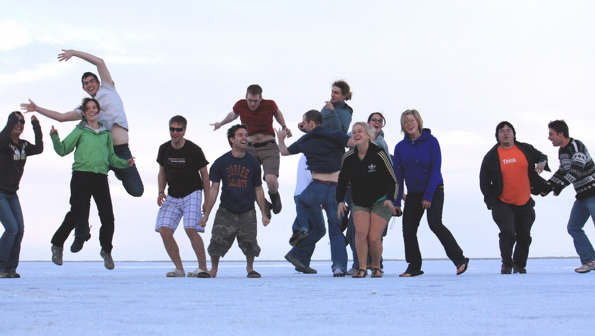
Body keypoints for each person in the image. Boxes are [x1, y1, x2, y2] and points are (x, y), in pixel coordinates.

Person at [21, 49, 144, 253]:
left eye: (91, 81)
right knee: (81, 196)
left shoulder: (108, 89)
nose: (89, 84)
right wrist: (37, 109)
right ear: (84, 89)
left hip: (121, 152)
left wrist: (74, 53)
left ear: (98, 82)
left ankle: (119, 173)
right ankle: (81, 233)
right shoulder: (87, 111)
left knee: (137, 190)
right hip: (100, 155)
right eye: (86, 83)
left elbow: (100, 61)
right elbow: (61, 117)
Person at [50, 98, 134, 270]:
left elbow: (111, 158)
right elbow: (62, 150)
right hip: (81, 175)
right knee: (76, 213)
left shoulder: (106, 134)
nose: (92, 111)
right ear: (84, 112)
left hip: (100, 177)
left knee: (108, 217)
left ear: (98, 110)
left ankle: (106, 251)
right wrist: (54, 137)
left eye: (94, 107)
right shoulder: (80, 130)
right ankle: (57, 245)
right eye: (88, 108)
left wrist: (125, 163)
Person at [392, 109, 469, 277]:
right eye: (405, 122)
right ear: (402, 126)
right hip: (413, 193)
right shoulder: (400, 147)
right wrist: (397, 202)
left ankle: (459, 259)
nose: (409, 124)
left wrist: (428, 195)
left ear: (418, 122)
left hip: (434, 189)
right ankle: (414, 266)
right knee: (409, 229)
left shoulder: (432, 142)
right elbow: (398, 177)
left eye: (411, 120)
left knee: (435, 223)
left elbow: (436, 170)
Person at [278, 109, 354, 277]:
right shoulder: (335, 135)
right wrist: (362, 136)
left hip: (317, 186)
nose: (303, 126)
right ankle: (339, 267)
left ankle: (301, 229)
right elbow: (352, 143)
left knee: (302, 201)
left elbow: (283, 152)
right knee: (335, 230)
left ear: (311, 123)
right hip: (336, 189)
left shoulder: (306, 139)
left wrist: (280, 138)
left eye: (304, 123)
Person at [200, 124, 270, 278]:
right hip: (226, 210)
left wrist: (264, 213)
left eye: (246, 135)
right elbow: (214, 189)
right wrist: (206, 215)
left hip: (247, 210)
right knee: (217, 239)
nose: (244, 138)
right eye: (240, 135)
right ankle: (213, 269)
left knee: (250, 242)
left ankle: (250, 268)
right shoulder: (220, 162)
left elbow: (258, 189)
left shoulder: (253, 163)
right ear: (232, 139)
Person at [210, 85, 291, 217]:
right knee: (243, 183)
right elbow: (233, 115)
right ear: (246, 98)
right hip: (249, 147)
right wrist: (221, 123)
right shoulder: (241, 105)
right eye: (250, 100)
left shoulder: (269, 105)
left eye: (255, 101)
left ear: (261, 98)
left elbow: (278, 113)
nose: (252, 104)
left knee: (270, 180)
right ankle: (264, 204)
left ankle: (274, 195)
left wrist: (284, 126)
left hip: (268, 146)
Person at [480, 121, 549, 274]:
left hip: (524, 201)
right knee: (508, 232)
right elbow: (484, 182)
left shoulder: (525, 149)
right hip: (502, 202)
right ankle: (507, 263)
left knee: (524, 235)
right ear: (497, 136)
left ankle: (519, 264)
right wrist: (492, 201)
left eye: (508, 130)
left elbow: (542, 157)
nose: (505, 133)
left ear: (513, 134)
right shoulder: (491, 156)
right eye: (502, 131)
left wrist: (542, 163)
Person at [337, 122, 397, 278]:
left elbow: (393, 179)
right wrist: (340, 201)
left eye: (360, 131)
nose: (356, 134)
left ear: (368, 135)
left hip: (381, 200)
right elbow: (342, 181)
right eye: (354, 131)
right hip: (359, 201)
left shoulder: (379, 153)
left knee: (374, 237)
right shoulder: (349, 157)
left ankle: (376, 266)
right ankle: (362, 268)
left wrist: (391, 199)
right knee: (360, 233)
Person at [155, 116, 210, 278]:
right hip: (172, 194)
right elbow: (162, 172)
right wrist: (160, 191)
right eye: (172, 129)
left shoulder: (194, 149)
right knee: (164, 230)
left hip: (192, 192)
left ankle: (202, 268)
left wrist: (207, 201)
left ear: (184, 130)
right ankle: (179, 268)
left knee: (191, 228)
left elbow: (205, 175)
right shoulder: (164, 149)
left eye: (178, 129)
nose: (175, 132)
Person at [542, 120, 595, 273]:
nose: (549, 138)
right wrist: (549, 185)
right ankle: (590, 260)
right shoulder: (562, 151)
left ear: (561, 134)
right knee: (574, 227)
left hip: (593, 192)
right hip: (582, 195)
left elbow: (576, 170)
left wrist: (560, 185)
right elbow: (563, 170)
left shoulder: (576, 146)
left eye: (551, 134)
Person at [345, 112, 390, 275]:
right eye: (373, 120)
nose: (376, 123)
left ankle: (376, 265)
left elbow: (389, 170)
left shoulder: (381, 144)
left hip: (378, 194)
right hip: (356, 191)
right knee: (356, 231)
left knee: (375, 234)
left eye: (380, 121)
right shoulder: (355, 136)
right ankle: (360, 265)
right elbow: (339, 138)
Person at [0, 112, 43, 278]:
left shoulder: (23, 146)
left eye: (21, 122)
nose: (19, 124)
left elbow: (39, 148)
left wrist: (36, 126)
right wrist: (10, 123)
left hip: (12, 193)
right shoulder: (3, 143)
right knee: (11, 228)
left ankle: (10, 268)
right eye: (15, 121)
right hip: (0, 193)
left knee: (19, 230)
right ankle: (1, 266)